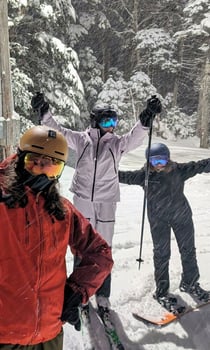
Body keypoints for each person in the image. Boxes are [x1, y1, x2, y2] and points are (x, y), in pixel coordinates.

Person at [31, 93, 162, 315]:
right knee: (81, 246)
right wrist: (44, 113)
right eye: (106, 121)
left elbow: (135, 137)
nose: (111, 126)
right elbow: (59, 131)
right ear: (95, 121)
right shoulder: (81, 140)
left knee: (103, 247)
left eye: (114, 121)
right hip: (82, 198)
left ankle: (103, 295)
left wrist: (146, 118)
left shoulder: (117, 143)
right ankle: (78, 293)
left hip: (107, 201)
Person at [0, 125, 113, 349]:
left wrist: (77, 291)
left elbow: (100, 254)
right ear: (20, 158)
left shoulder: (61, 210)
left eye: (51, 167)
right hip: (5, 336)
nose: (41, 172)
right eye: (34, 162)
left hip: (49, 336)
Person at [119, 142, 210, 309]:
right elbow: (121, 176)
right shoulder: (143, 176)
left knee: (188, 250)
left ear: (168, 159)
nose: (159, 165)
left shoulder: (179, 170)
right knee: (161, 254)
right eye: (154, 161)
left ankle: (190, 283)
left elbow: (200, 165)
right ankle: (161, 292)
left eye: (162, 160)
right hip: (158, 220)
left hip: (182, 216)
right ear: (148, 161)